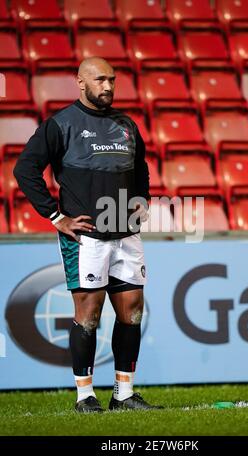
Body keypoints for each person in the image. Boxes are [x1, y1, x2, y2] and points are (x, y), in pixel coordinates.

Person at [14, 57, 162, 413]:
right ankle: (85, 397)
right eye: (100, 80)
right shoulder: (61, 124)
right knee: (89, 314)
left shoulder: (126, 124)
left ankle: (123, 394)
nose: (107, 86)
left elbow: (140, 168)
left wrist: (142, 201)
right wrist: (55, 216)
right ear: (80, 82)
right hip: (87, 238)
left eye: (112, 80)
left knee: (133, 312)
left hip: (126, 234)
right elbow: (25, 169)